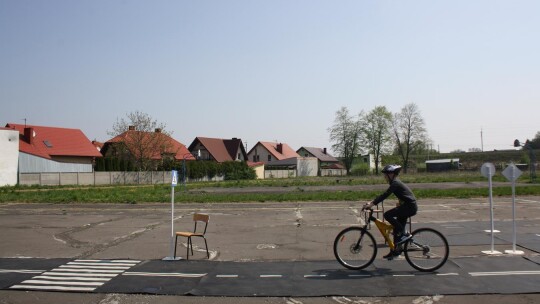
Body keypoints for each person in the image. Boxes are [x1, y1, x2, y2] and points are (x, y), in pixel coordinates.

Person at [363, 164, 418, 260]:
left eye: (386, 174)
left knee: (387, 215)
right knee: (396, 230)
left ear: (391, 174)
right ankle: (395, 251)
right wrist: (371, 202)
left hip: (409, 207)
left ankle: (405, 234)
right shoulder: (395, 182)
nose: (385, 177)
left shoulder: (395, 183)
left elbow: (385, 195)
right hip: (407, 206)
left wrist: (372, 204)